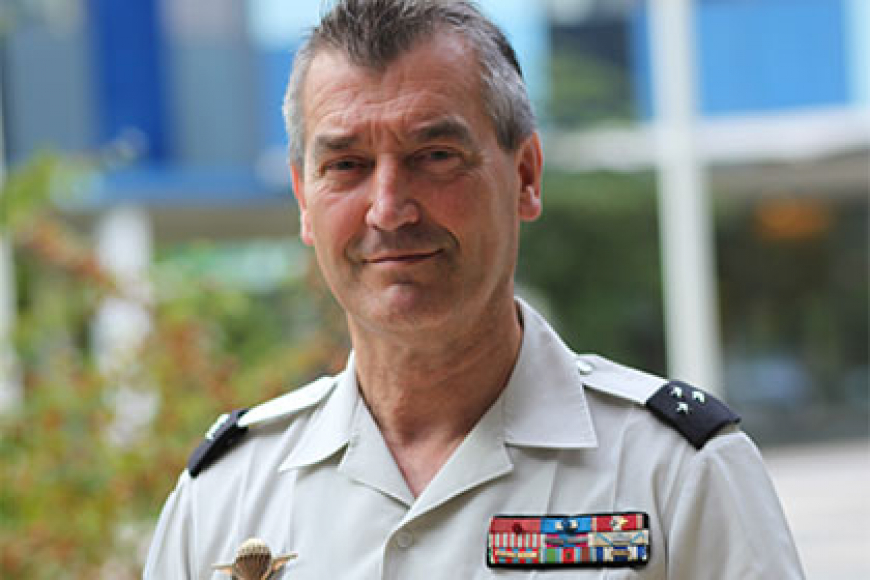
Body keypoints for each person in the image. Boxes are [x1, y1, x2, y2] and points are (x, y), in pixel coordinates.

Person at [144, 1, 805, 578]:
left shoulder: (675, 473)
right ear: (303, 199)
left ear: (526, 176)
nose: (388, 209)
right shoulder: (225, 497)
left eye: (435, 157)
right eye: (346, 165)